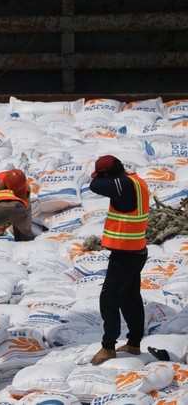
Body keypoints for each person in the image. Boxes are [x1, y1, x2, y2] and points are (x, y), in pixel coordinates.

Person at [88, 155, 150, 365]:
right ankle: (133, 343)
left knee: (109, 298)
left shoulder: (122, 184)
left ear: (108, 175)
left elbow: (94, 185)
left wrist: (99, 176)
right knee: (130, 297)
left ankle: (108, 347)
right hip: (137, 250)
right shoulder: (135, 181)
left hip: (125, 254)